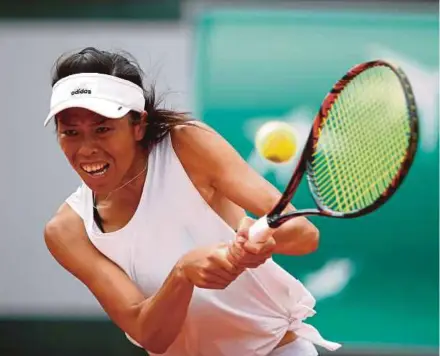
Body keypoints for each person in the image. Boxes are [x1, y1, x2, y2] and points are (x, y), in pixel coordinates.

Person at [43, 47, 341, 356]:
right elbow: (151, 335)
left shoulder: (186, 145)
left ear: (138, 125)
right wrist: (183, 273)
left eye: (103, 129)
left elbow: (304, 235)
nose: (87, 148)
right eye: (71, 132)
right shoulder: (67, 230)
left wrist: (260, 243)